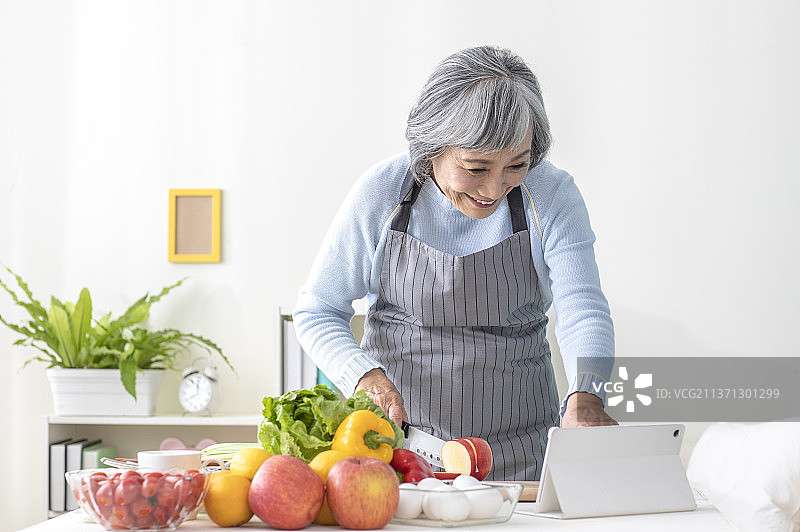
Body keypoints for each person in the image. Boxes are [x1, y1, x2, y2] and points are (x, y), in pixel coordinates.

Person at [293, 45, 616, 481]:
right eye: (476, 168)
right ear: (433, 147)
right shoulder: (383, 193)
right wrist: (364, 375)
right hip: (397, 450)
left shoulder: (551, 194)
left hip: (523, 454)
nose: (494, 189)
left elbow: (583, 309)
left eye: (516, 165)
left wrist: (586, 396)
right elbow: (317, 310)